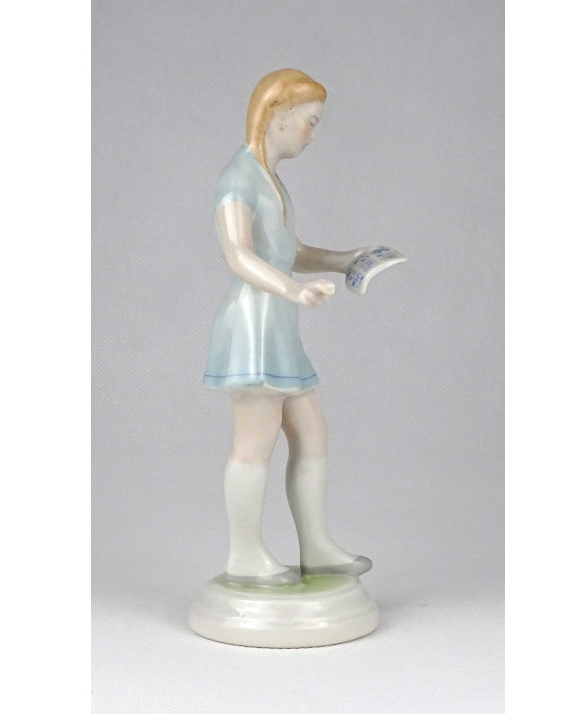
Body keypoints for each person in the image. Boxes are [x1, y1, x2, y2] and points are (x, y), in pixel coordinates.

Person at [204, 69, 374, 586]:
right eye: (310, 121)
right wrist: (293, 290)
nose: (312, 134)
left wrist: (343, 260)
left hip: (276, 326)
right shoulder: (238, 178)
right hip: (253, 328)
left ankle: (316, 546)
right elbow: (237, 253)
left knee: (311, 432)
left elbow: (288, 250)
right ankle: (244, 554)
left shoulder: (270, 179)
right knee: (255, 440)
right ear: (277, 118)